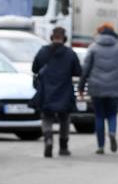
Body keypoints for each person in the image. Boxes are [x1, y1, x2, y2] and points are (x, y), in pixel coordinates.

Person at [78, 23, 118, 155]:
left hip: (97, 88)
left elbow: (85, 69)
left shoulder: (93, 48)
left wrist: (81, 87)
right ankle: (112, 133)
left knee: (99, 116)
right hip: (115, 88)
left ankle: (100, 146)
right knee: (112, 114)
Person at [32, 27, 82, 158]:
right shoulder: (70, 53)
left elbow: (34, 68)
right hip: (64, 91)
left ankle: (48, 139)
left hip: (46, 90)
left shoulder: (43, 51)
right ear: (64, 38)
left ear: (51, 37)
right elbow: (78, 71)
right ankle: (63, 147)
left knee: (47, 117)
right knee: (64, 119)